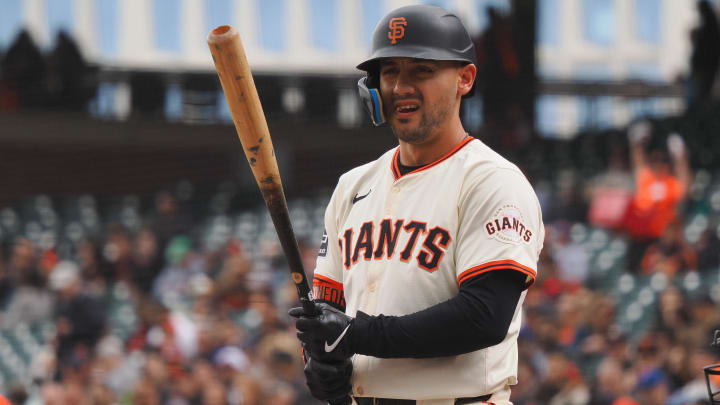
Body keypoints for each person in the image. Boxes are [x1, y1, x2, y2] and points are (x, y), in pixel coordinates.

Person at [290, 5, 544, 405]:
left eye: (421, 71)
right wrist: (319, 362)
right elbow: (327, 311)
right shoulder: (352, 186)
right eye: (390, 72)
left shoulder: (493, 181)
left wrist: (355, 334)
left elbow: (484, 316)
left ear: (465, 78)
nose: (401, 87)